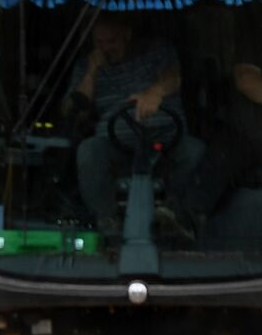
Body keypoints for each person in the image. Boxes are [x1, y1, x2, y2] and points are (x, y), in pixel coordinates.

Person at [63, 17, 211, 234]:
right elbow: (72, 112)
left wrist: (154, 93)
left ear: (127, 35)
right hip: (115, 146)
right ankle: (107, 221)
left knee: (195, 151)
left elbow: (173, 78)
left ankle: (176, 215)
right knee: (88, 151)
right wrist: (91, 73)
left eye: (111, 41)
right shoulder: (86, 65)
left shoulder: (157, 51)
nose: (105, 48)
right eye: (100, 42)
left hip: (166, 142)